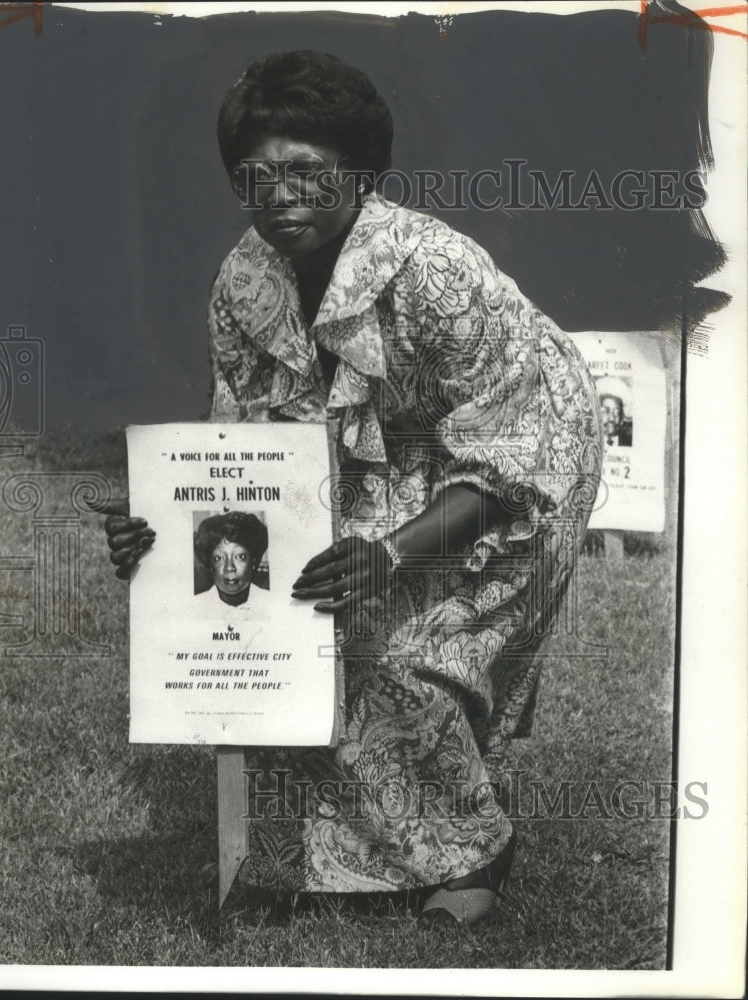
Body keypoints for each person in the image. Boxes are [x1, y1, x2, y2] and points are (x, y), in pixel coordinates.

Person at [104, 50, 603, 925]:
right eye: (255, 177)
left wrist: (394, 552)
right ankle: (296, 852)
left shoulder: (433, 268)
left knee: (408, 644)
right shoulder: (242, 281)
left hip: (518, 457)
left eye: (306, 172)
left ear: (360, 174)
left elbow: (511, 448)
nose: (279, 197)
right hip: (364, 458)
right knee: (295, 625)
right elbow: (244, 451)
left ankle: (471, 849)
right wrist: (162, 531)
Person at [193, 511, 270, 611]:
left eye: (240, 557)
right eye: (218, 558)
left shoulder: (272, 603)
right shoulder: (195, 607)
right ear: (210, 565)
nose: (229, 567)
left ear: (254, 562)